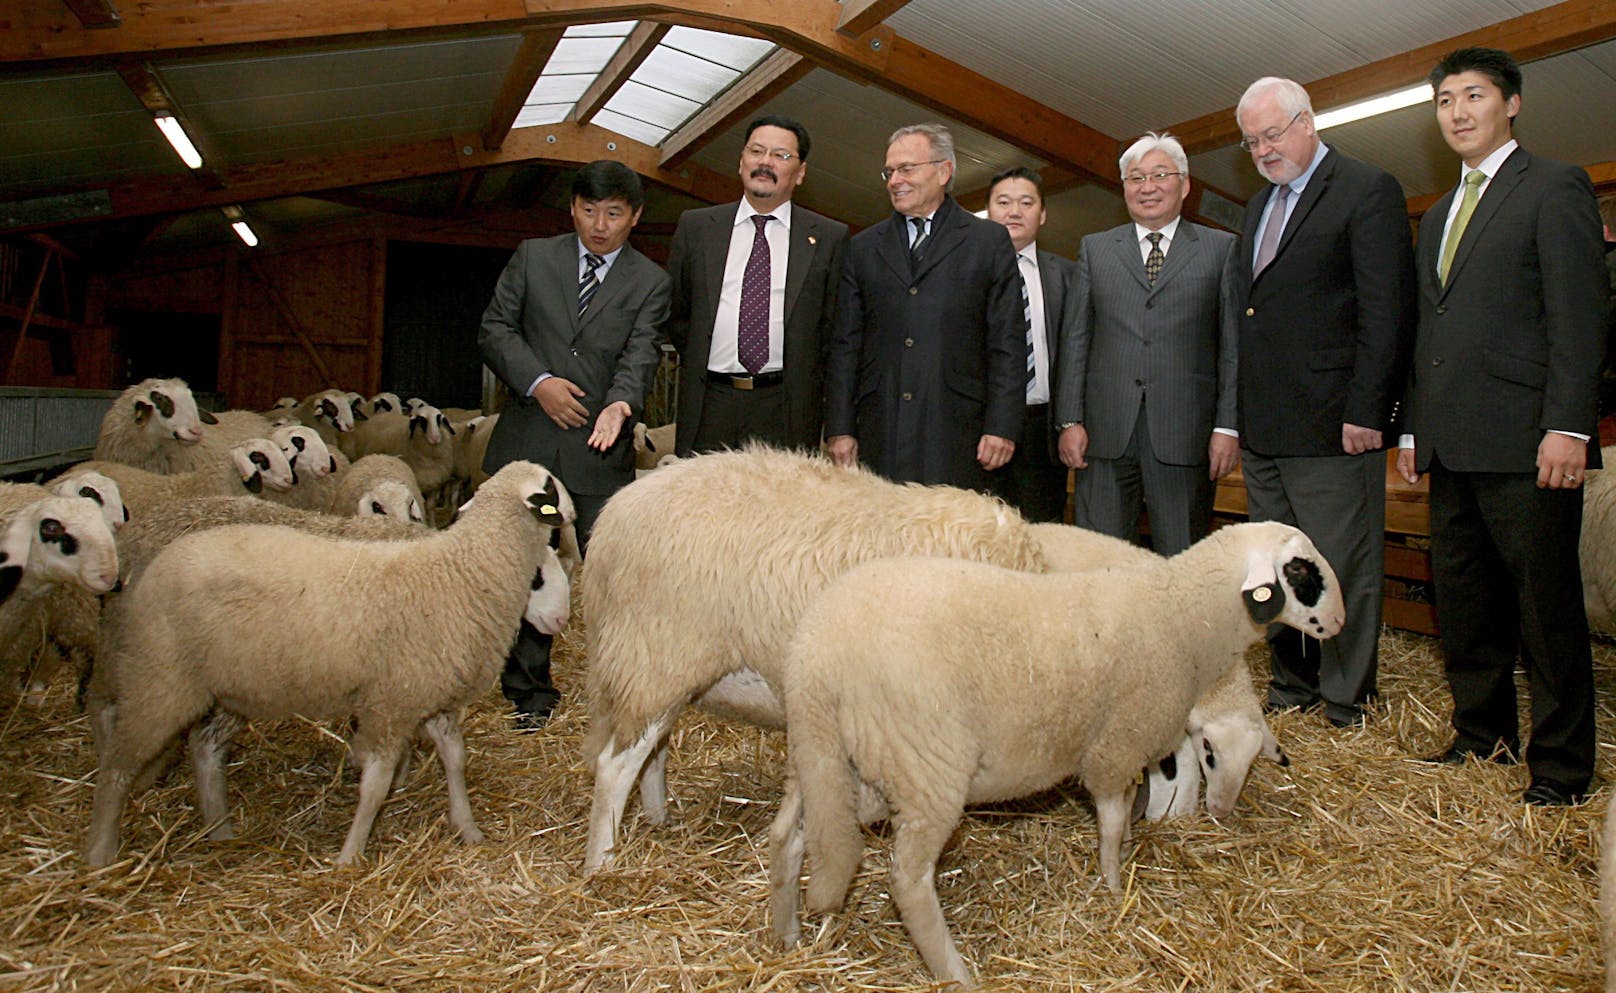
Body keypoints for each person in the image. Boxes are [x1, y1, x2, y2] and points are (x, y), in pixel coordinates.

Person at [1395, 48, 1608, 805]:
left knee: (1546, 610)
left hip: (1529, 443)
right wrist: (1415, 430)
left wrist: (1569, 428)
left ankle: (1560, 768)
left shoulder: (1554, 186)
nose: (1456, 111)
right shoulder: (1441, 210)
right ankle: (1481, 734)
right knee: (1466, 601)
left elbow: (1580, 321)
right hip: (1452, 445)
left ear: (1510, 103)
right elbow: (1430, 332)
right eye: (1445, 99)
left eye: (1473, 95)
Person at [1233, 77, 1416, 728]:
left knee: (1343, 564)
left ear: (1307, 122)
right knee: (1277, 565)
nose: (1263, 149)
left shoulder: (1367, 190)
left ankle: (1345, 697)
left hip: (1335, 422)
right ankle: (1292, 683)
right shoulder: (1256, 208)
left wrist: (1370, 409)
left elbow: (1386, 311)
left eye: (1272, 133)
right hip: (1264, 426)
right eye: (1252, 141)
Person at [478, 160, 671, 729]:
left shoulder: (651, 282)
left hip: (598, 451)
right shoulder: (534, 257)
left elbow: (641, 354)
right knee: (522, 569)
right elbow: (495, 329)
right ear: (572, 209)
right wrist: (539, 384)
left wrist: (620, 404)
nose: (600, 225)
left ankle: (618, 693)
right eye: (589, 210)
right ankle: (528, 696)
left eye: (614, 213)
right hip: (527, 447)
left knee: (612, 575)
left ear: (634, 216)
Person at [1055, 132, 1240, 552]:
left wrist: (1227, 425)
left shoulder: (1221, 249)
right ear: (1124, 188)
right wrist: (1069, 420)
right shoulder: (1096, 249)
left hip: (1185, 434)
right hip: (1103, 434)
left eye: (1160, 174)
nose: (1148, 186)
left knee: (1182, 560)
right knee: (1098, 559)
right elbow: (1076, 340)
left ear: (1185, 184)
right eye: (1136, 178)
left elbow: (1232, 348)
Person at [824, 123, 1026, 492]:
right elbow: (845, 344)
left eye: (906, 169)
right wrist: (839, 428)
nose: (894, 180)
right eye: (889, 171)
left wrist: (1001, 426)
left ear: (944, 171)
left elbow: (1007, 342)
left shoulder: (987, 241)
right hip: (880, 429)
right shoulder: (863, 247)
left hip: (959, 430)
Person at [664, 114, 848, 455]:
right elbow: (678, 313)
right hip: (710, 402)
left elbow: (833, 332)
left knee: (780, 507)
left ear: (801, 172)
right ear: (741, 161)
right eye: (756, 151)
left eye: (781, 155)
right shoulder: (697, 227)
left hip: (785, 408)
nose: (765, 162)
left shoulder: (829, 238)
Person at [986, 166, 1078, 523]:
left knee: (1043, 535)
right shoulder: (965, 272)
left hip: (1044, 429)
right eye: (1004, 202)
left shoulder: (1068, 275)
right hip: (984, 428)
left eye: (1026, 203)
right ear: (989, 211)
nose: (1014, 211)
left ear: (1042, 213)